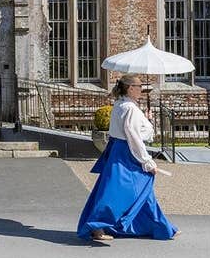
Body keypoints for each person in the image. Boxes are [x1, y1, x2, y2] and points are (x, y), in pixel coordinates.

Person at [76, 74, 179, 242]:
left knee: (141, 190)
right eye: (139, 88)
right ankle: (96, 225)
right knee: (116, 191)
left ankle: (160, 226)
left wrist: (146, 120)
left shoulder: (121, 104)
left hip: (120, 149)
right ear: (131, 88)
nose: (141, 91)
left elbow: (134, 131)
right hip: (126, 153)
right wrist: (146, 161)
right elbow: (133, 136)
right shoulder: (129, 108)